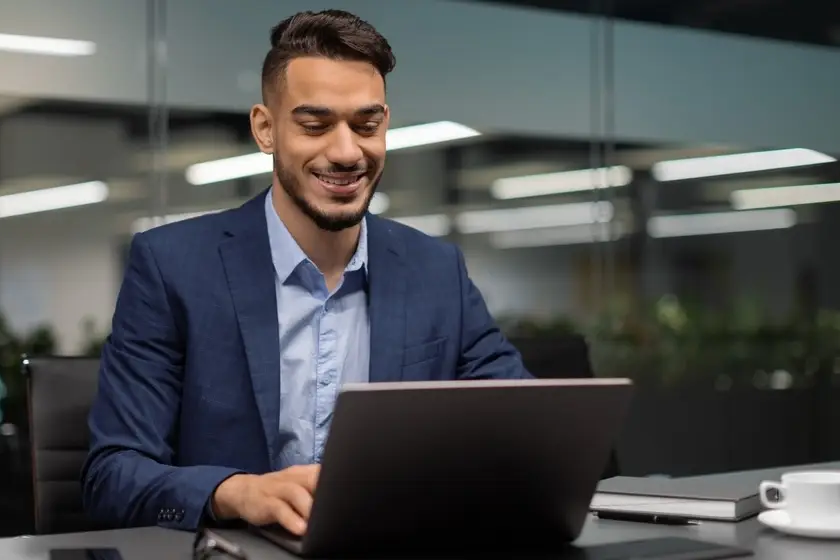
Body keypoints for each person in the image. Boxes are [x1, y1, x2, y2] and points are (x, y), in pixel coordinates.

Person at [81, 8, 532, 537]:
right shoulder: (173, 267)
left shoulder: (436, 270)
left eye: (367, 124)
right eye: (315, 125)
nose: (346, 152)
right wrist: (237, 493)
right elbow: (111, 477)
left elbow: (525, 435)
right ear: (265, 129)